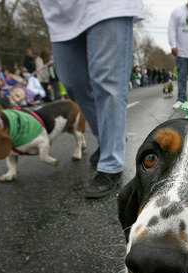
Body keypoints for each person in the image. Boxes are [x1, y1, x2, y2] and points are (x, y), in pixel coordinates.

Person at [38, 0, 144, 198]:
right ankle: (107, 140)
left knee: (108, 84)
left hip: (106, 7)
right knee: (73, 83)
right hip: (62, 14)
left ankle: (111, 165)